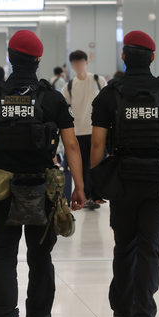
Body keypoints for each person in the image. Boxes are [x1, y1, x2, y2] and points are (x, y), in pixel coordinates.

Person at [0, 30, 86, 317]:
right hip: (43, 187)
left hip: (1, 186)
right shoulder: (53, 98)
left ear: (10, 59)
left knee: (3, 254)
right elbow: (71, 146)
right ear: (39, 60)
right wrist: (80, 186)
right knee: (40, 254)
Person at [91, 31, 159, 317]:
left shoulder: (109, 94)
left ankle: (122, 309)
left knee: (125, 245)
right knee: (149, 250)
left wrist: (97, 181)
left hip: (121, 180)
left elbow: (97, 143)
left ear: (124, 57)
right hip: (158, 182)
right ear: (152, 57)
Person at [62, 50, 107, 209]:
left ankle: (95, 196)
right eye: (75, 63)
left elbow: (106, 103)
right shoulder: (69, 86)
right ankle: (87, 196)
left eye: (80, 62)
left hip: (97, 130)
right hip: (78, 131)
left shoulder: (98, 80)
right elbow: (65, 110)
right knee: (82, 166)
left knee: (95, 164)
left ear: (86, 62)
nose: (78, 65)